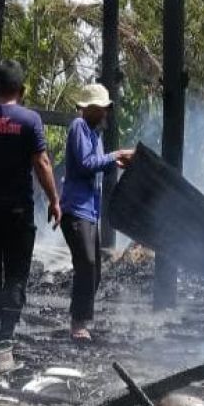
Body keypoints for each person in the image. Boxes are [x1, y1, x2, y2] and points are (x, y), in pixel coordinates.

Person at [0, 60, 62, 345]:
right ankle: (7, 329)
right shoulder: (29, 121)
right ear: (22, 89)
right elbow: (42, 163)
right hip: (18, 212)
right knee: (17, 272)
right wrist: (55, 200)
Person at [60, 84, 134, 342]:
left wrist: (116, 160)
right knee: (86, 264)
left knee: (95, 268)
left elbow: (99, 165)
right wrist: (116, 155)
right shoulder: (79, 127)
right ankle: (77, 324)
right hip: (76, 209)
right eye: (102, 109)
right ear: (90, 109)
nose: (106, 113)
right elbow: (85, 164)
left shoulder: (95, 134)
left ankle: (81, 319)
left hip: (90, 211)